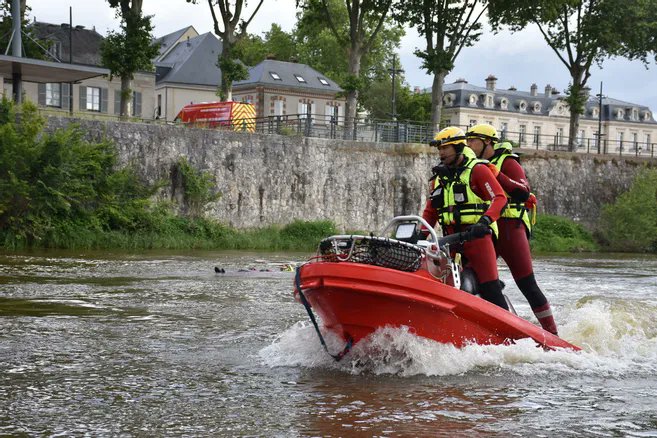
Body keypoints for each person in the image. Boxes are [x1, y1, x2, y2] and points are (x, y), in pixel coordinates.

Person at [465, 123, 558, 335]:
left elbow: (524, 192)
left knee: (527, 284)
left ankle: (553, 335)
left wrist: (498, 175)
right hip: (487, 229)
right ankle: (490, 326)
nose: (468, 145)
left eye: (473, 141)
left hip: (510, 229)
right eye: (467, 141)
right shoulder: (472, 165)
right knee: (471, 277)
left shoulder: (508, 162)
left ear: (487, 142)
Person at [422, 126, 509, 310]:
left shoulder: (478, 170)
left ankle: (514, 336)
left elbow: (500, 198)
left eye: (446, 148)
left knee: (490, 287)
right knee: (450, 288)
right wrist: (419, 236)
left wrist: (484, 221)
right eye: (439, 149)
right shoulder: (439, 178)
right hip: (449, 242)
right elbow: (431, 212)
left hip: (477, 238)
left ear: (459, 148)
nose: (441, 153)